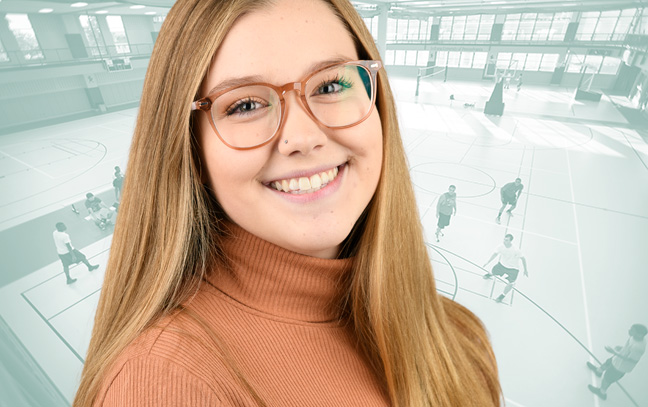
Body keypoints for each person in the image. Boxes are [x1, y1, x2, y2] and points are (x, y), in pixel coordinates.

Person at [75, 1, 501, 406]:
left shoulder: (459, 335)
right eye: (245, 104)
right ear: (191, 151)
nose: (302, 137)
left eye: (331, 85)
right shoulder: (165, 382)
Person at [587, 324, 647, 401]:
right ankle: (599, 371)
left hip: (620, 367)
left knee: (607, 378)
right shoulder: (634, 337)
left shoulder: (638, 347)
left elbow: (631, 359)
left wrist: (614, 352)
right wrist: (622, 348)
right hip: (618, 358)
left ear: (639, 334)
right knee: (608, 362)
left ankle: (602, 392)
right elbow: (629, 348)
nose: (629, 330)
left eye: (632, 330)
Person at [483, 234, 528, 303]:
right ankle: (490, 274)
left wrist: (525, 270)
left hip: (513, 269)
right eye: (504, 239)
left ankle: (502, 295)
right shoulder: (500, 247)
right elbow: (495, 254)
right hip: (502, 265)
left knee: (511, 283)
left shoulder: (516, 250)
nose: (504, 241)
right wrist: (487, 262)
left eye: (506, 240)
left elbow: (523, 258)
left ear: (510, 241)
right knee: (493, 271)